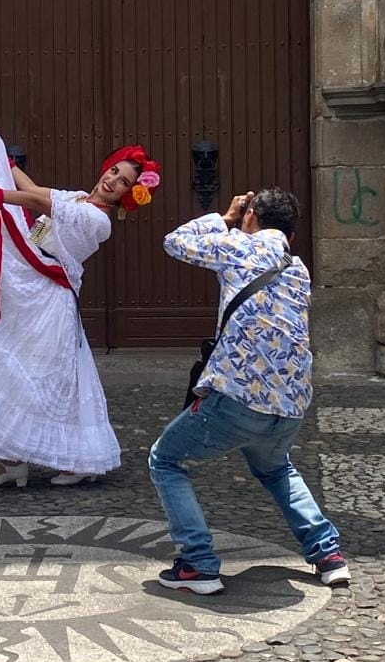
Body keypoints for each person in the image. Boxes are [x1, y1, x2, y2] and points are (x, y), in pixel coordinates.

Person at [0, 122, 161, 488]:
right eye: (114, 171)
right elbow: (35, 190)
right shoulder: (78, 198)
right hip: (31, 285)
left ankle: (76, 459)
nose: (112, 180)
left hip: (49, 298)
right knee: (11, 368)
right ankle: (11, 461)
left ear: (127, 194)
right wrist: (5, 162)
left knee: (41, 378)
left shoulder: (97, 219)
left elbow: (39, 202)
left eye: (122, 181)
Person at [149, 187, 350, 594]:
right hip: (290, 405)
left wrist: (226, 216)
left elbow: (174, 242)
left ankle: (198, 564)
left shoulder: (239, 247)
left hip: (237, 397)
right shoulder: (298, 269)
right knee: (277, 468)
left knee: (165, 460)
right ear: (291, 236)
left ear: (252, 215)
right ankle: (328, 555)